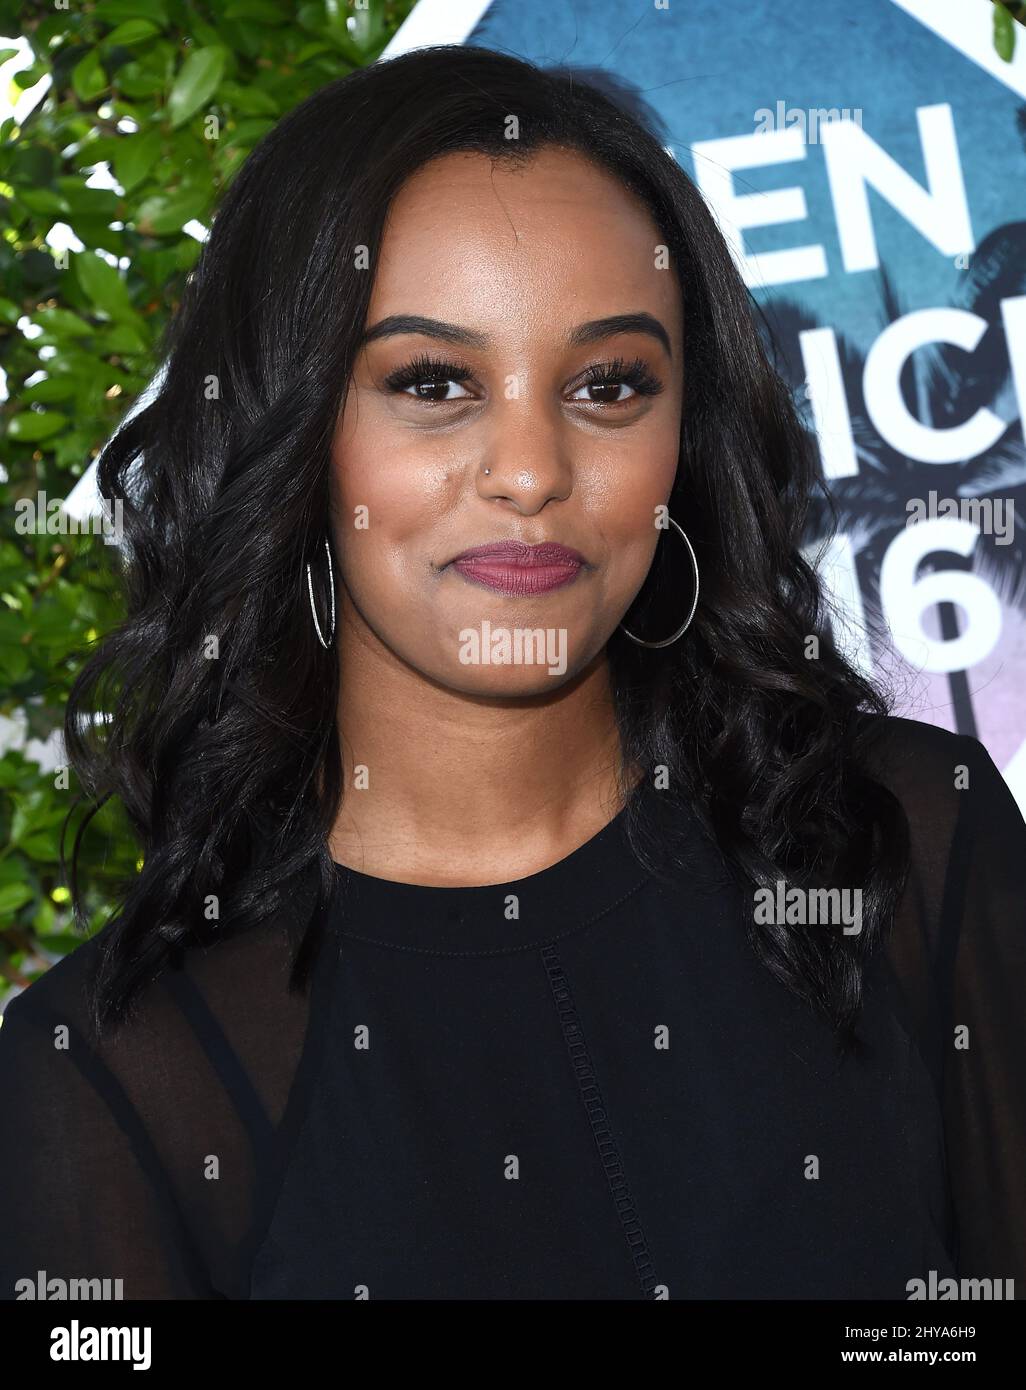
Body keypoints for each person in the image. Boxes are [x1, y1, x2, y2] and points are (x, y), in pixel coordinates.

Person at [1, 44, 1024, 1302]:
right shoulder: (121, 1074)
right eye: (433, 382)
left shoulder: (907, 847)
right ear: (297, 436)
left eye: (608, 383)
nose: (531, 469)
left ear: (681, 440)